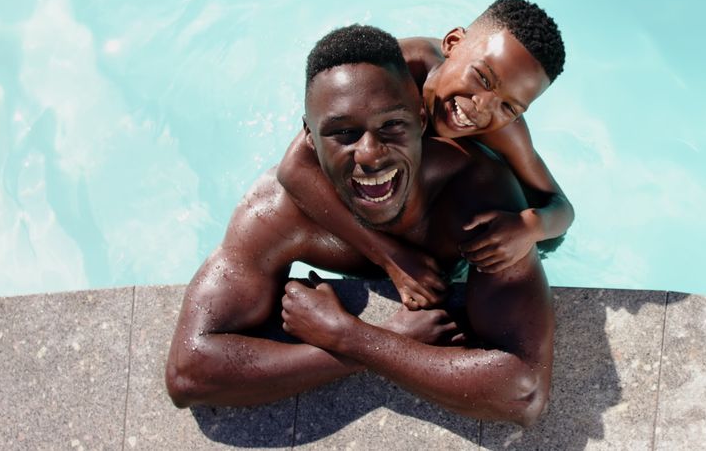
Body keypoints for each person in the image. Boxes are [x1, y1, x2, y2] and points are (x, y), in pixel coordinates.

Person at [165, 25, 554, 426]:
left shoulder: (476, 197)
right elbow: (188, 371)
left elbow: (521, 394)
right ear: (310, 138)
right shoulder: (277, 211)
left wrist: (349, 336)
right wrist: (365, 341)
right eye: (344, 133)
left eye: (392, 127)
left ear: (421, 119)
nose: (370, 155)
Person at [277, 0, 569, 310]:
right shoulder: (389, 73)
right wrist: (390, 256)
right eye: (482, 78)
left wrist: (529, 227)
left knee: (547, 238)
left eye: (510, 106)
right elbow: (293, 170)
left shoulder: (502, 130)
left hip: (438, 197)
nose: (481, 107)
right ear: (453, 42)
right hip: (389, 192)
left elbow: (560, 207)